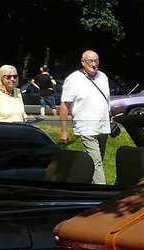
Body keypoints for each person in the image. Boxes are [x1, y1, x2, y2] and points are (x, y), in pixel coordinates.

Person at [59, 50, 113, 185]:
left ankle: (87, 188)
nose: (94, 64)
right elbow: (64, 105)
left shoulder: (103, 77)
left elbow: (106, 100)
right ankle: (102, 192)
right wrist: (64, 130)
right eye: (90, 61)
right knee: (97, 162)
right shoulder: (73, 79)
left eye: (96, 61)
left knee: (97, 162)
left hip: (103, 126)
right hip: (86, 127)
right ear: (83, 62)